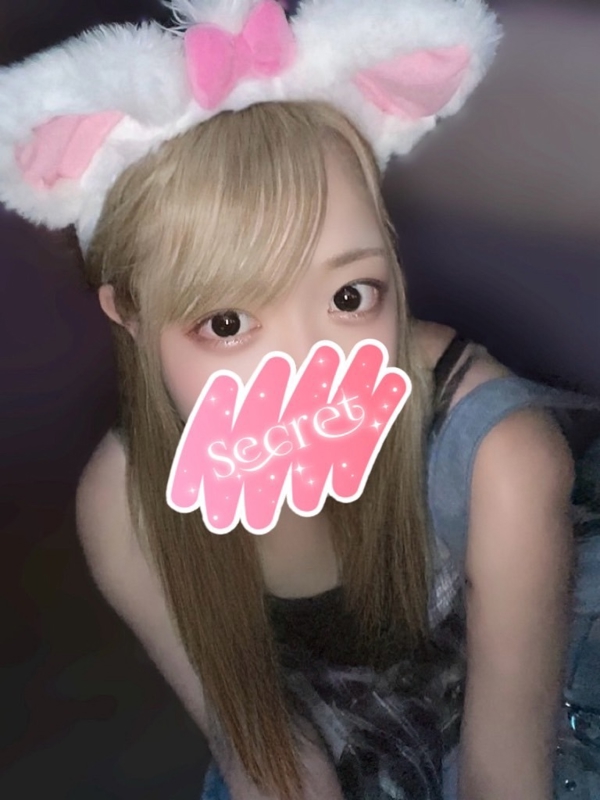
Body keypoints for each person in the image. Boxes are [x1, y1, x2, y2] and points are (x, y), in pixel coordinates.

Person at [0, 2, 598, 798]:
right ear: (131, 319)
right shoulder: (125, 504)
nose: (309, 365)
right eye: (227, 323)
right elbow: (267, 753)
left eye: (350, 297)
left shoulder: (503, 459)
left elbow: (506, 778)